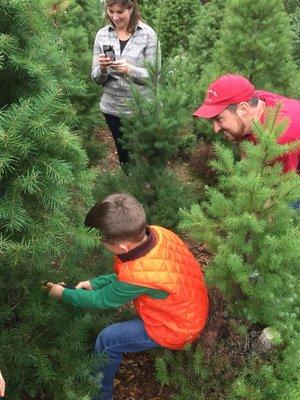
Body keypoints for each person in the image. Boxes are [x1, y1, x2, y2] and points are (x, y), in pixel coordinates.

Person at [47, 193, 208, 400]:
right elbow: (129, 273)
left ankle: (99, 393)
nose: (102, 247)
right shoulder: (158, 234)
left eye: (103, 243)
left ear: (122, 247)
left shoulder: (139, 276)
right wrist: (94, 283)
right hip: (189, 306)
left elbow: (103, 300)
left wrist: (63, 294)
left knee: (108, 340)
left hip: (177, 327)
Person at [91, 0, 159, 165]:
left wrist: (130, 69)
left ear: (131, 8)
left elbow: (155, 76)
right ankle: (128, 186)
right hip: (112, 109)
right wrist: (103, 68)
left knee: (145, 154)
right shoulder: (102, 35)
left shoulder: (147, 34)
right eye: (111, 11)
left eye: (120, 12)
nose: (115, 17)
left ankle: (146, 186)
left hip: (140, 109)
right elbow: (96, 78)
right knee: (125, 154)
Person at [193, 74, 300, 174]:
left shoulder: (281, 142)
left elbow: (283, 190)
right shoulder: (255, 101)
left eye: (219, 119)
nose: (215, 129)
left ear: (243, 110)